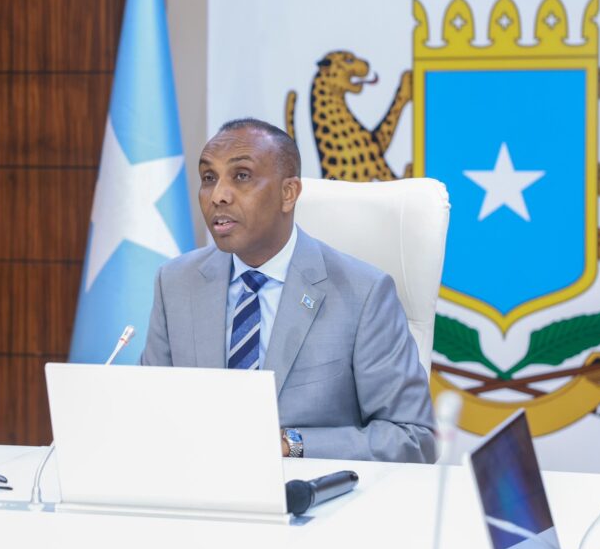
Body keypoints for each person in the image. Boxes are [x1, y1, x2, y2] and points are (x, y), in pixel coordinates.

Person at [141, 118, 437, 462]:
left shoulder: (364, 294)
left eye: (241, 176)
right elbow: (147, 413)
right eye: (209, 178)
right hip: (198, 483)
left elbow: (413, 437)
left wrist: (290, 444)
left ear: (288, 194)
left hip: (307, 490)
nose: (218, 195)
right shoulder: (176, 283)